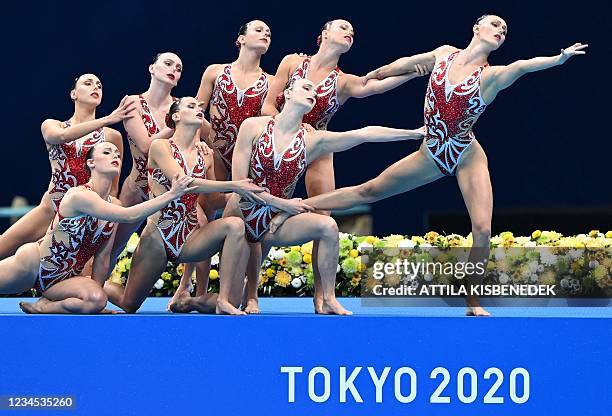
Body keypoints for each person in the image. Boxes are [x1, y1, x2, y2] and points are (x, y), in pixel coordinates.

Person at [271, 15, 588, 316]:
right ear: (476, 27)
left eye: (505, 29)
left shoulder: (490, 76)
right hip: (432, 151)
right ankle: (291, 206)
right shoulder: (444, 54)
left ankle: (473, 301)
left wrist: (557, 59)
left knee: (482, 228)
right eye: (495, 24)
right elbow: (406, 63)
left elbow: (521, 66)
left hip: (466, 153)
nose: (501, 30)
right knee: (367, 191)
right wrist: (374, 74)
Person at [220, 78, 424, 315]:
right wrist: (281, 204)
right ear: (287, 93)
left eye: (315, 92)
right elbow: (239, 185)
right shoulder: (252, 126)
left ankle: (327, 298)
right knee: (229, 300)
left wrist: (413, 133)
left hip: (274, 221)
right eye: (306, 88)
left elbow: (364, 134)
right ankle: (208, 297)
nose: (313, 93)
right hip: (242, 212)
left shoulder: (313, 140)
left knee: (328, 226)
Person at [104, 97, 265, 315]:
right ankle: (97, 284)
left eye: (200, 107)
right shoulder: (160, 147)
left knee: (235, 225)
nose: (199, 109)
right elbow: (183, 183)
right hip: (159, 236)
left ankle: (203, 301)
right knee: (129, 304)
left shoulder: (205, 155)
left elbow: (213, 200)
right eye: (191, 106)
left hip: (190, 236)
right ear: (175, 116)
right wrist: (236, 185)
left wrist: (247, 195)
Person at [1, 142, 196, 314]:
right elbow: (131, 215)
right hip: (34, 265)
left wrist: (97, 302)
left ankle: (42, 307)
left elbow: (103, 257)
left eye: (117, 155)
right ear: (91, 163)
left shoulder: (114, 205)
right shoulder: (79, 195)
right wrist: (171, 194)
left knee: (97, 298)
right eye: (107, 153)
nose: (115, 156)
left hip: (62, 280)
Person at [168, 20, 272, 312]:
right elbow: (194, 112)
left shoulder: (270, 81)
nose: (266, 34)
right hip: (215, 156)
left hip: (248, 163)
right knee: (201, 219)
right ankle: (188, 286)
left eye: (269, 33)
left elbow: (271, 121)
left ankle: (251, 294)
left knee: (249, 226)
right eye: (259, 30)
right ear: (240, 39)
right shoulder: (215, 72)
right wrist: (198, 143)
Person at [0, 74, 130, 260]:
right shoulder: (53, 125)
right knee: (3, 246)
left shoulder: (111, 136)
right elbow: (61, 137)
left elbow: (113, 187)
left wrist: (102, 222)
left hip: (86, 215)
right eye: (88, 83)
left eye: (99, 85)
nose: (96, 87)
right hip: (51, 207)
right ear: (73, 94)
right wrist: (106, 119)